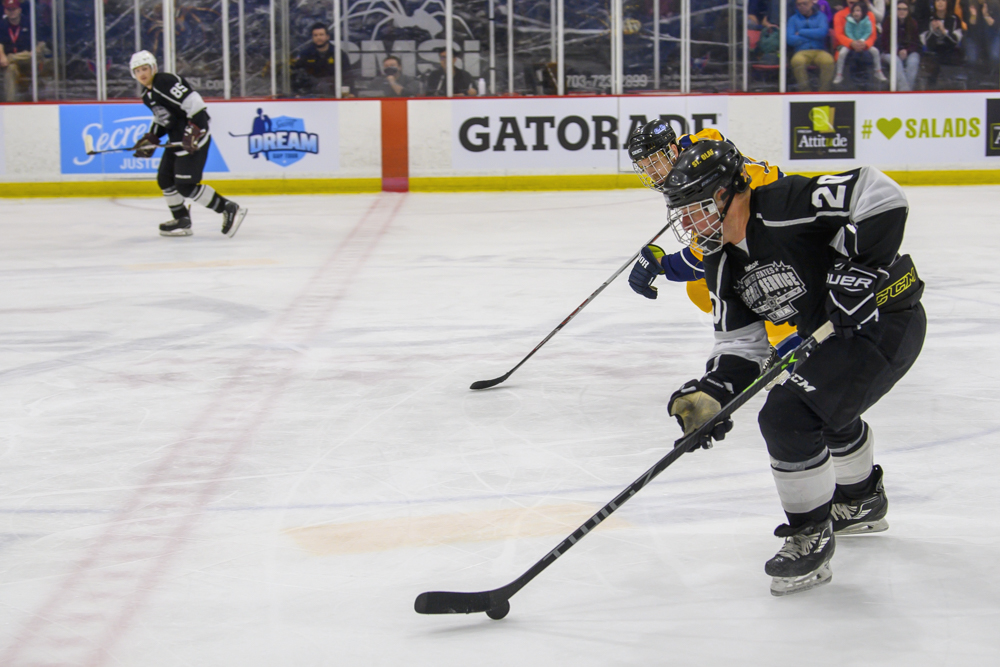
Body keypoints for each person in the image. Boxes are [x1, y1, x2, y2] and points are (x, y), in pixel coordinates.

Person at [657, 140, 925, 596]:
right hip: (834, 336)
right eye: (680, 212)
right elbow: (740, 345)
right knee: (820, 402)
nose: (687, 223)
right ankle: (861, 501)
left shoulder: (784, 203)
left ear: (731, 193)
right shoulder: (721, 263)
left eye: (695, 208)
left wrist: (862, 267)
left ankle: (809, 532)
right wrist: (713, 393)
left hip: (884, 318)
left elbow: (879, 193)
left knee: (787, 414)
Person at [626, 120, 799, 354]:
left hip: (779, 221)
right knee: (699, 289)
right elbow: (709, 137)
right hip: (763, 216)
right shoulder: (690, 153)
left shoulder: (699, 173)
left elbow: (702, 257)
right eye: (644, 166)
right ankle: (766, 337)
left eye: (655, 161)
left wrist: (661, 265)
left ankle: (791, 346)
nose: (652, 172)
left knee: (759, 284)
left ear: (673, 151)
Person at [129, 50, 247, 238]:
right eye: (137, 71)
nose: (142, 74)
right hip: (176, 140)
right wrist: (151, 138)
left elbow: (195, 103)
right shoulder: (147, 94)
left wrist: (194, 131)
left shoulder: (164, 81)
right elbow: (163, 119)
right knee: (165, 180)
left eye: (145, 68)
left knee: (186, 185)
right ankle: (181, 219)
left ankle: (228, 208)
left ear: (154, 68)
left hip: (194, 138)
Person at [833, 0, 889, 85]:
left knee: (870, 54)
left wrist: (864, 43)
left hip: (864, 47)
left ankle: (877, 73)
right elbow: (839, 35)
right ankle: (839, 75)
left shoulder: (869, 15)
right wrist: (852, 43)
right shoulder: (839, 15)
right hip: (847, 48)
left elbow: (872, 34)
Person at [291, 22, 353, 97]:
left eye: (321, 35)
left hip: (334, 95)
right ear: (312, 37)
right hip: (311, 96)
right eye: (315, 35)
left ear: (327, 36)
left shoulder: (338, 54)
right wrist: (296, 93)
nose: (318, 38)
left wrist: (350, 93)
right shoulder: (305, 54)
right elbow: (297, 75)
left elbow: (348, 76)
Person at [787, 0, 836, 91]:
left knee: (828, 61)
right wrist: (812, 36)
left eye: (805, 3)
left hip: (819, 50)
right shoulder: (793, 19)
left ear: (811, 3)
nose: (802, 6)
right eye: (799, 4)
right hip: (801, 51)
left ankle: (824, 91)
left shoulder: (821, 16)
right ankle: (805, 92)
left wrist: (801, 32)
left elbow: (822, 32)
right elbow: (790, 39)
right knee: (797, 61)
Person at [0, 0, 43, 102]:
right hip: (10, 63)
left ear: (19, 10)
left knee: (35, 54)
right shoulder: (2, 25)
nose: (11, 12)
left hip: (28, 60)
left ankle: (11, 58)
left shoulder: (29, 22)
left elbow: (40, 43)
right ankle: (11, 104)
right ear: (5, 11)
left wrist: (36, 51)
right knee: (10, 69)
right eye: (9, 9)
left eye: (14, 9)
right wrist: (2, 56)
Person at [919, 0, 964, 88]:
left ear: (947, 3)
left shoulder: (954, 18)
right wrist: (933, 30)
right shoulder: (929, 18)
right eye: (937, 1)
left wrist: (944, 31)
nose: (940, 3)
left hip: (950, 51)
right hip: (933, 52)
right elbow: (924, 40)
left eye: (943, 0)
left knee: (950, 64)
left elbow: (956, 40)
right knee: (933, 64)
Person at [881, 1, 922, 90]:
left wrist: (907, 51)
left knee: (913, 61)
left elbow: (916, 43)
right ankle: (905, 91)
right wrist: (897, 52)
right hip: (889, 52)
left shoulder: (913, 23)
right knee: (896, 61)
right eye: (899, 9)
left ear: (908, 11)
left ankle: (905, 91)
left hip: (908, 52)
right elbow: (884, 43)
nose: (901, 11)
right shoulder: (888, 22)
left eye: (904, 9)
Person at [963, 0, 1000, 80]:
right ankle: (974, 81)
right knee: (971, 59)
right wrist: (973, 15)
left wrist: (986, 15)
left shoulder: (995, 3)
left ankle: (994, 79)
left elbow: (995, 26)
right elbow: (970, 26)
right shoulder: (968, 4)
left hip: (992, 36)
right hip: (974, 36)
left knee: (995, 56)